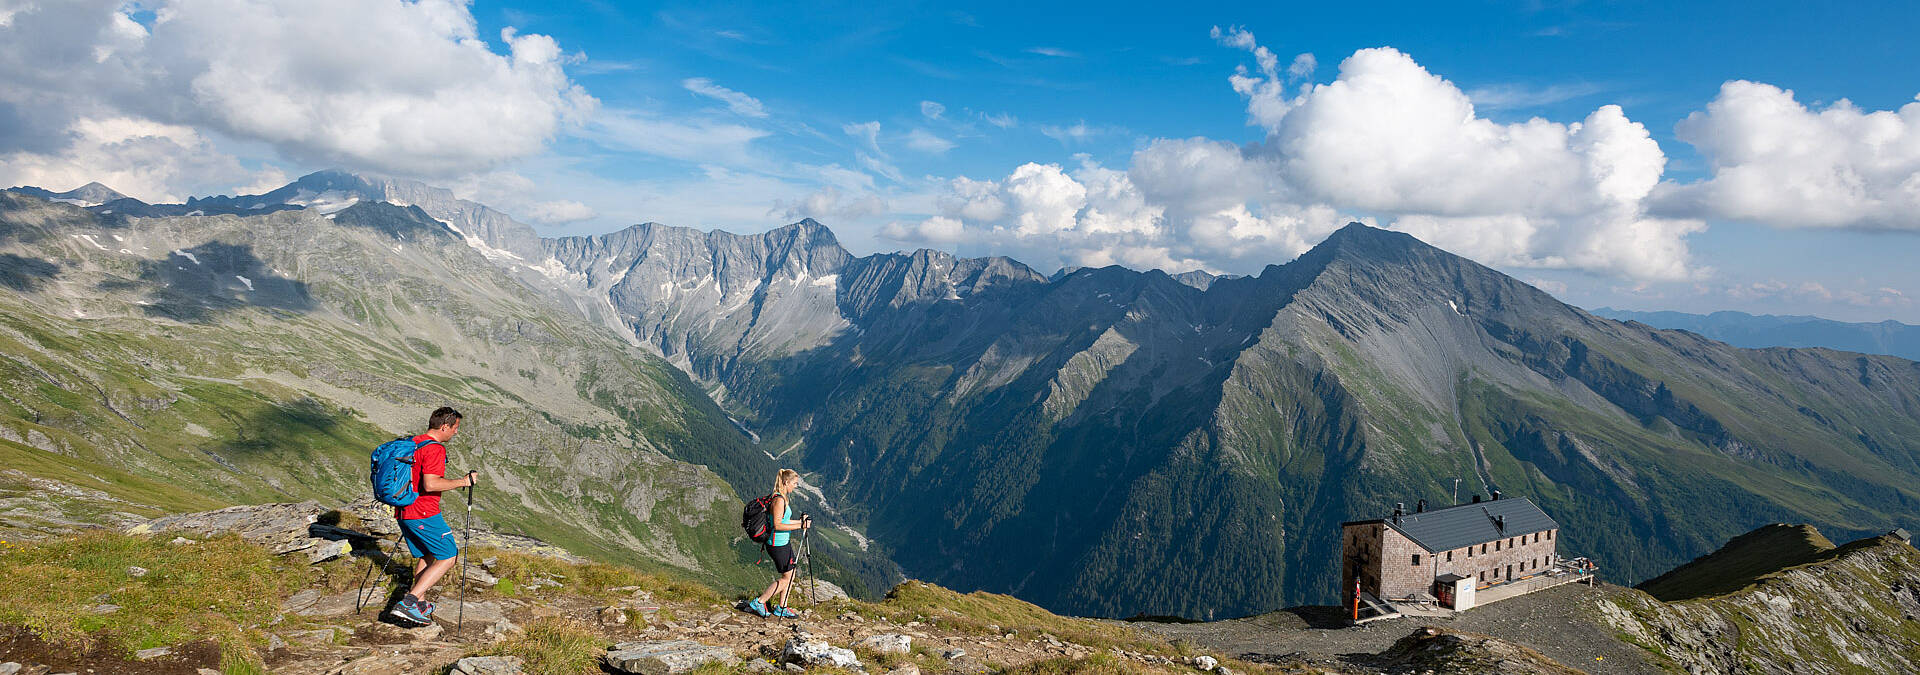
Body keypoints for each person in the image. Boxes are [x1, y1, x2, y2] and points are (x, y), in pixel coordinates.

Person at [386, 406, 477, 626]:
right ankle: (409, 602)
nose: (456, 432)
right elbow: (431, 483)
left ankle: (419, 605)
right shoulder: (434, 449)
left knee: (427, 555)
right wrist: (464, 482)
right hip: (423, 512)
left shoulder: (414, 442)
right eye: (455, 428)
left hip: (404, 511)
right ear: (445, 426)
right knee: (449, 555)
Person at [745, 468, 809, 618]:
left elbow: (784, 521)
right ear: (786, 482)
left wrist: (801, 522)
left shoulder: (782, 497)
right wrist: (800, 526)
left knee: (790, 575)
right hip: (777, 544)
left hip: (782, 542)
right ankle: (759, 602)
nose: (796, 486)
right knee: (787, 578)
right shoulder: (779, 500)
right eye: (794, 483)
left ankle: (782, 607)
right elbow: (778, 525)